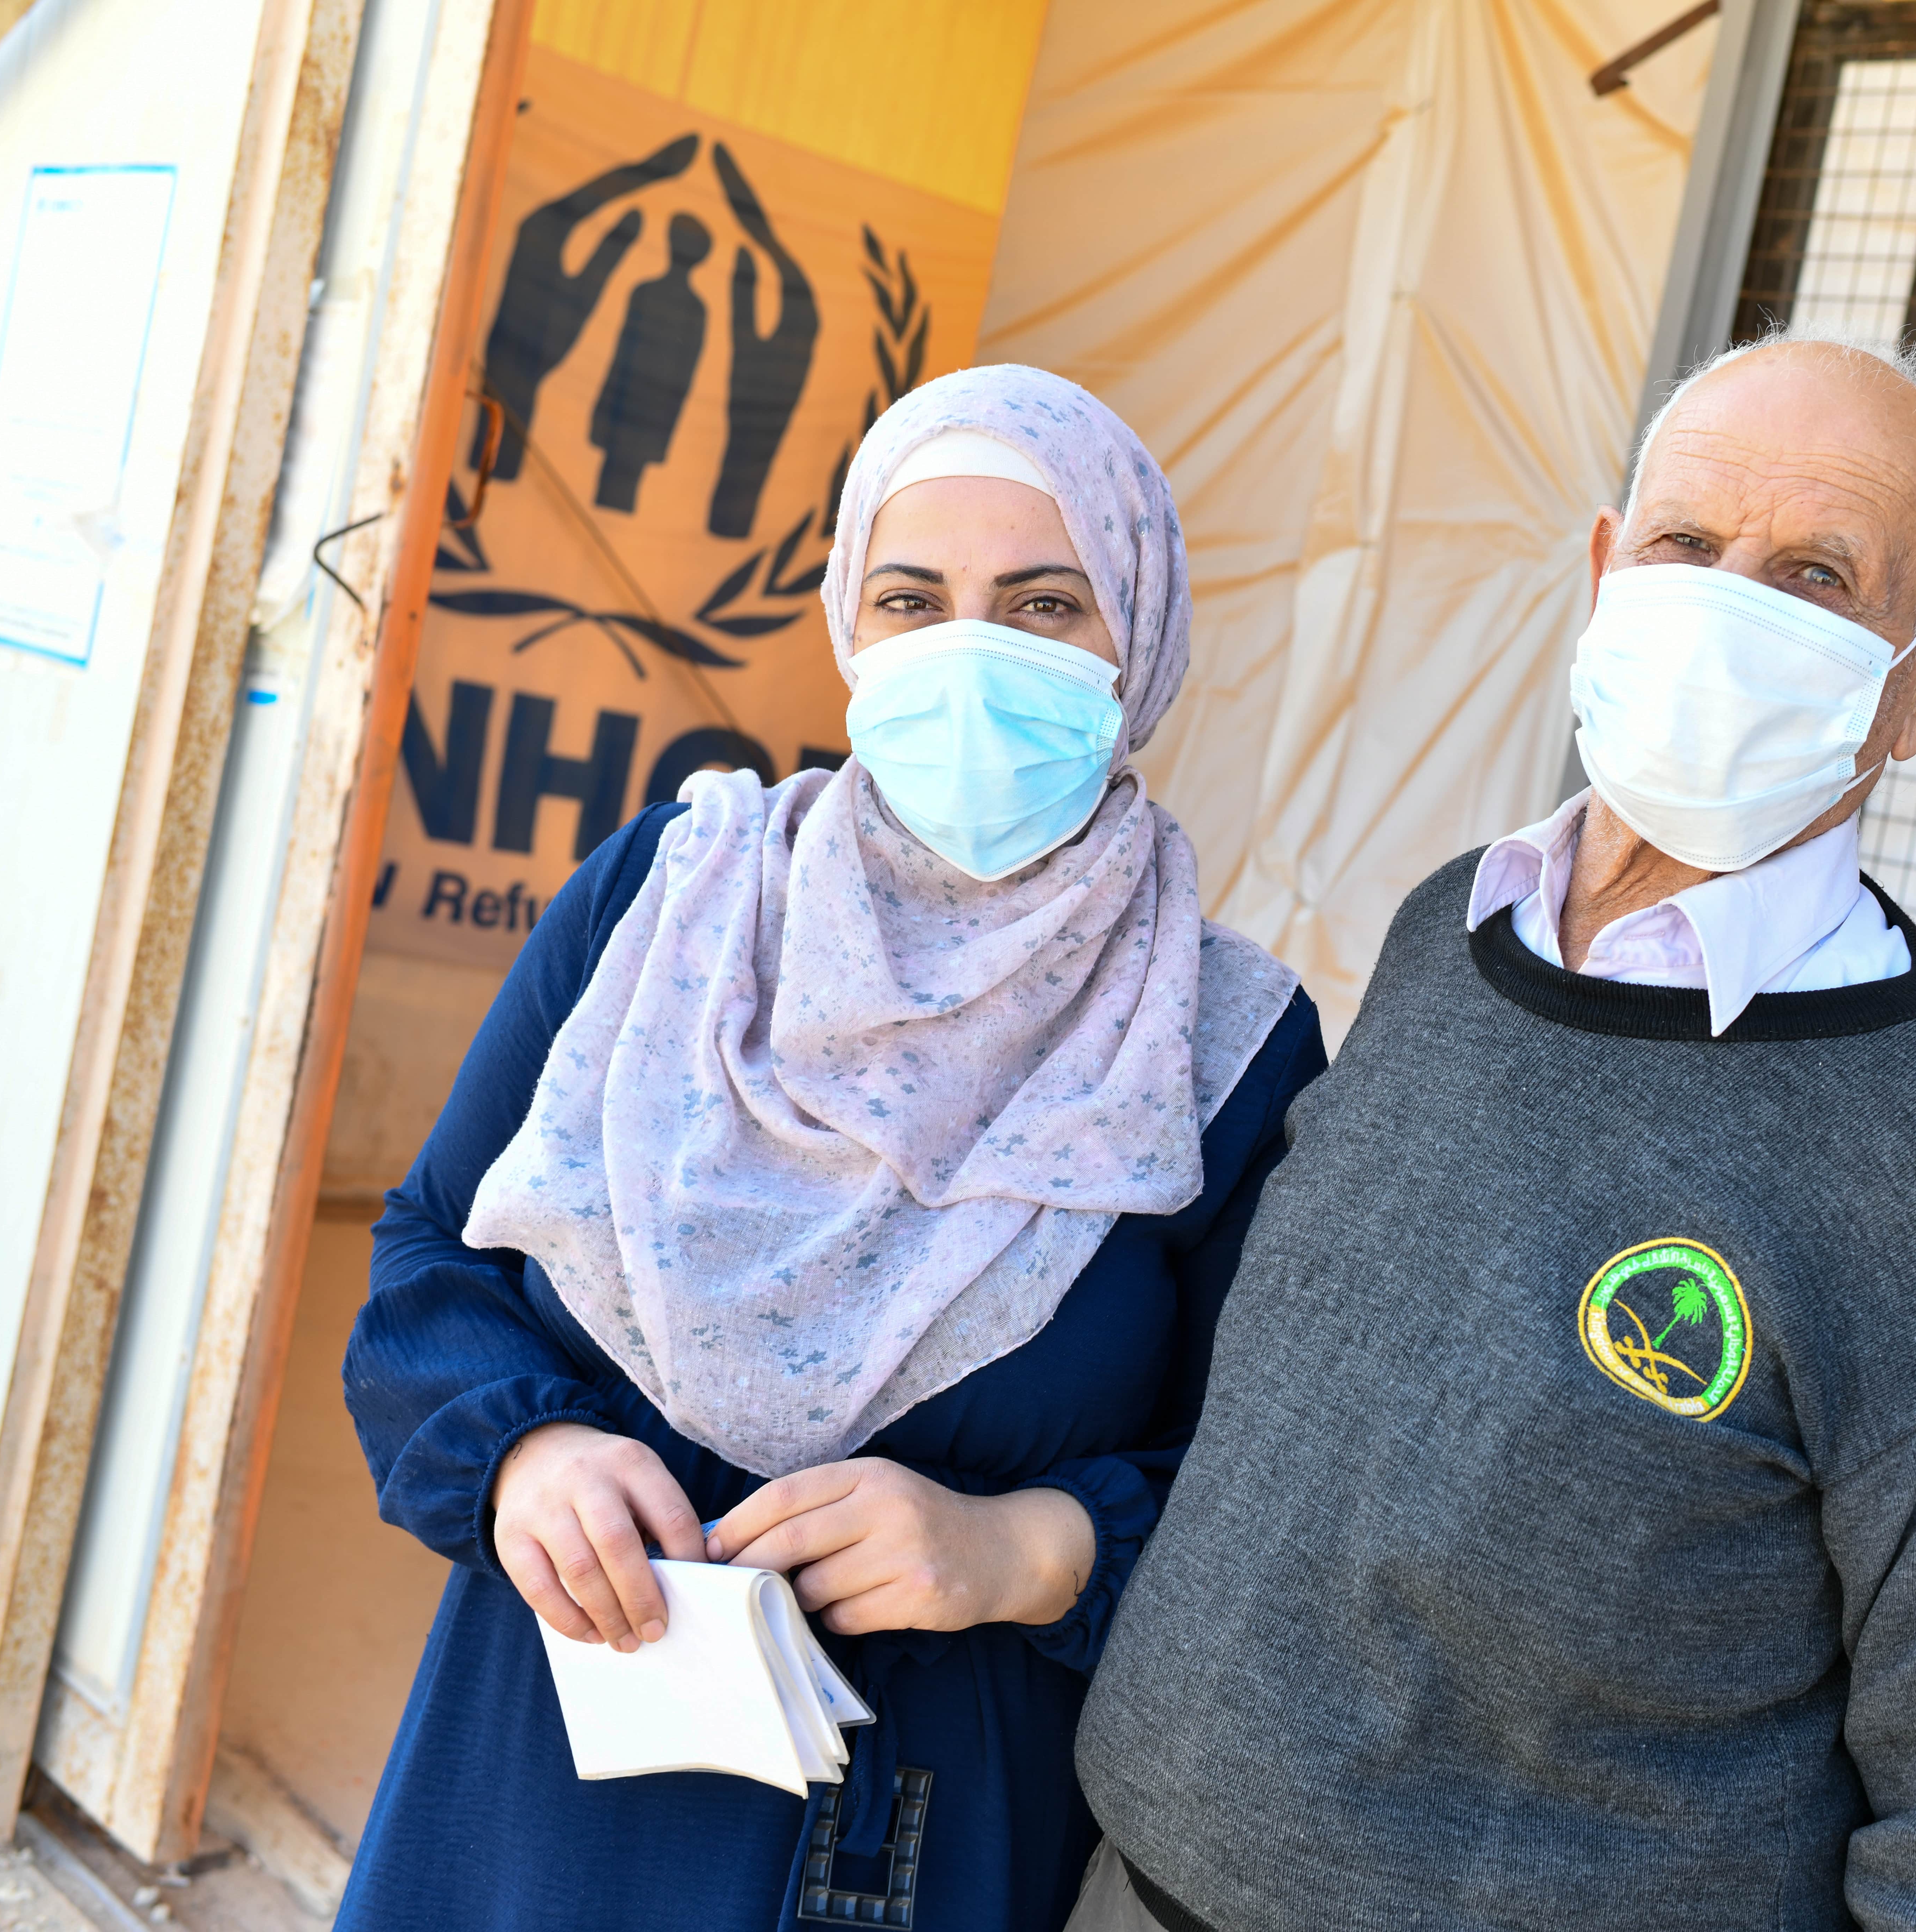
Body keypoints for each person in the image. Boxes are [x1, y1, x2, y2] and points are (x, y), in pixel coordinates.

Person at [1065, 328, 1916, 1932]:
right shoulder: (1448, 933)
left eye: (1818, 575)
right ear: (1612, 567)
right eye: (1690, 545)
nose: (1729, 607)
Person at [339, 364, 1324, 1932]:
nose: (970, 655)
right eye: (914, 597)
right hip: (539, 1781)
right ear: (848, 625)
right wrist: (527, 1450)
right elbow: (426, 1261)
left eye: (1046, 605)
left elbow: (1269, 1504)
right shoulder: (667, 902)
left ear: (1142, 640)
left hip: (905, 1839)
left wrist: (1021, 1546)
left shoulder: (1225, 1048)